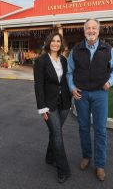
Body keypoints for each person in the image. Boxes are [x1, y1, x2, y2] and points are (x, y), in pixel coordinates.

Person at [67, 18, 113, 181]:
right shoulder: (76, 50)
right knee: (83, 128)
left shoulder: (107, 49)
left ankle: (100, 164)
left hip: (100, 94)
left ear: (98, 31)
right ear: (84, 31)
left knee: (100, 130)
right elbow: (69, 72)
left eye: (93, 28)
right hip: (81, 95)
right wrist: (71, 88)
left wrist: (110, 82)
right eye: (88, 28)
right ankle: (86, 156)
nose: (91, 31)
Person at [33, 32, 72, 184]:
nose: (55, 43)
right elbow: (38, 85)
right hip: (49, 105)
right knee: (57, 134)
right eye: (53, 41)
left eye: (58, 41)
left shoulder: (63, 59)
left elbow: (66, 80)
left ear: (61, 44)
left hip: (64, 103)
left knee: (55, 132)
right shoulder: (41, 61)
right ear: (48, 42)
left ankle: (50, 158)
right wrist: (42, 108)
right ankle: (63, 169)